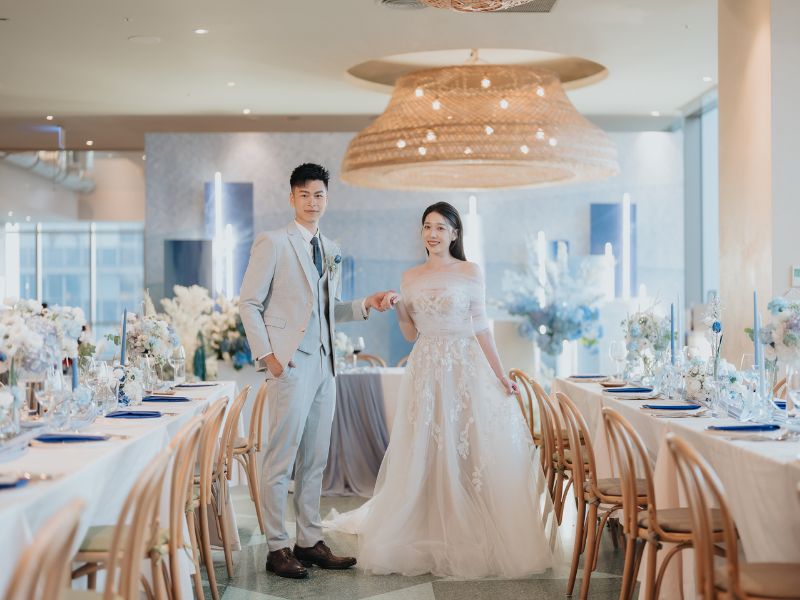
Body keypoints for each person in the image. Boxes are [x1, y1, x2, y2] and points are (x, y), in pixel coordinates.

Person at [324, 201, 561, 578]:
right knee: (428, 445)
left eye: (440, 227)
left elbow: (482, 328)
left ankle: (474, 524)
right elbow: (410, 333)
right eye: (427, 227)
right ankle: (429, 523)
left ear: (454, 233)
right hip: (426, 368)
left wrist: (500, 376)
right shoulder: (410, 276)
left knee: (468, 444)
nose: (432, 234)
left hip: (465, 366)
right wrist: (398, 307)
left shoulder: (470, 271)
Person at [239, 163, 394, 579]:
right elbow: (249, 304)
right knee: (281, 460)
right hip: (289, 365)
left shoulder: (330, 246)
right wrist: (269, 357)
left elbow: (329, 309)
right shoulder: (273, 242)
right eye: (305, 194)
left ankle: (307, 541)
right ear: (292, 197)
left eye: (319, 195)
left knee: (315, 460)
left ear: (327, 199)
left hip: (326, 365)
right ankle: (277, 548)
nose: (312, 202)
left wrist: (366, 304)